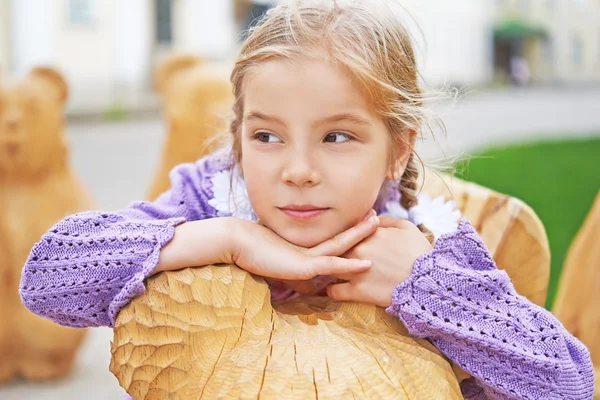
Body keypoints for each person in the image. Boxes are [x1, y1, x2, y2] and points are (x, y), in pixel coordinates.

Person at [20, 1, 593, 399]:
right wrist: (226, 239)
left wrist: (425, 289)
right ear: (239, 137)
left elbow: (570, 383)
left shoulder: (424, 246)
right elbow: (47, 278)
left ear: (397, 150)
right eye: (266, 137)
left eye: (337, 137)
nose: (297, 171)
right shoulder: (211, 203)